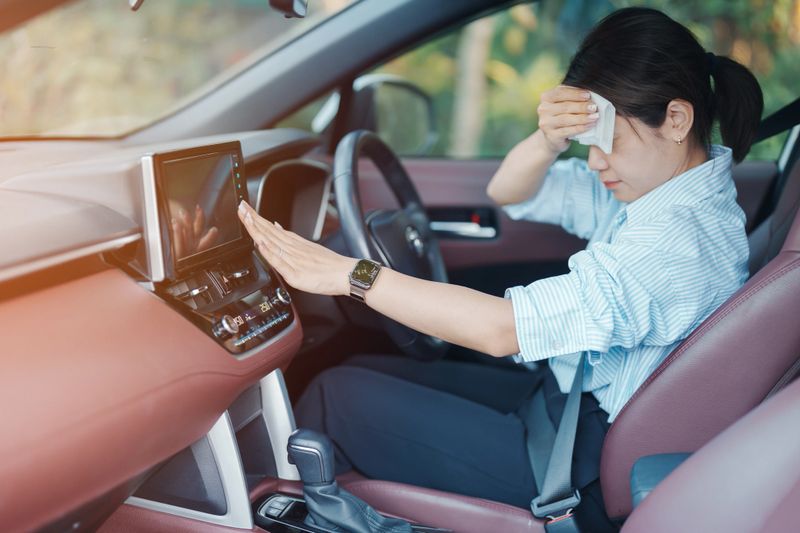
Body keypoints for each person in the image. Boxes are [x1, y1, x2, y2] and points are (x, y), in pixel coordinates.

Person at [237, 7, 762, 530]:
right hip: (564, 406)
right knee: (349, 376)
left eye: (610, 139)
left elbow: (501, 330)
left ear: (676, 119)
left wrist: (350, 275)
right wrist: (548, 139)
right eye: (588, 141)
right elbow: (507, 193)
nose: (596, 160)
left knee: (335, 396)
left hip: (573, 470)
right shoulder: (662, 189)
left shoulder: (678, 242)